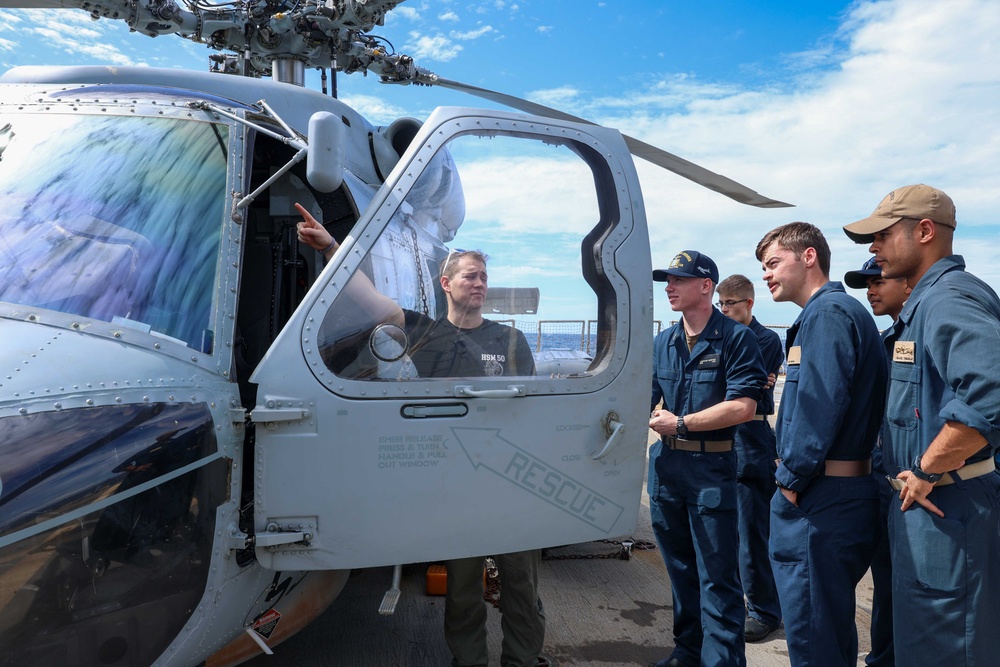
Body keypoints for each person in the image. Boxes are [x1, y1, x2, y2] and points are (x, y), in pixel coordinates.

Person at [295, 203, 549, 667]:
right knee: (464, 592)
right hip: (453, 488)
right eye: (470, 276)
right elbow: (369, 300)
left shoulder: (511, 341)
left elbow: (530, 411)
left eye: (483, 277)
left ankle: (523, 661)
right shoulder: (425, 334)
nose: (479, 283)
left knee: (521, 588)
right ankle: (468, 661)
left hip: (510, 483)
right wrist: (332, 247)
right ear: (446, 283)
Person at [843, 184, 1000, 666]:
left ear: (925, 232)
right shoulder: (926, 304)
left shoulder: (948, 299)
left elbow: (990, 390)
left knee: (948, 647)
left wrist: (927, 468)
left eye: (883, 236)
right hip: (935, 509)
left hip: (950, 509)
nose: (873, 248)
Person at [754, 223, 886, 667]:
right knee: (826, 632)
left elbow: (819, 405)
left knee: (814, 641)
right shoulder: (828, 314)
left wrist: (788, 483)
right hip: (831, 493)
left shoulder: (828, 315)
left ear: (808, 257)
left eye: (773, 263)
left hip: (821, 499)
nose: (767, 275)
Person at [648, 251, 766, 667]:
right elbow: (639, 400)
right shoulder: (663, 342)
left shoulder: (736, 338)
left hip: (711, 470)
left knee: (717, 578)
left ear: (705, 286)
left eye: (678, 280)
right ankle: (688, 653)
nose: (669, 287)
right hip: (665, 471)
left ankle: (721, 661)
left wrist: (681, 423)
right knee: (681, 572)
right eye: (667, 280)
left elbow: (744, 407)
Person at [843, 256, 910, 667]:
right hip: (887, 480)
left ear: (908, 282)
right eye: (865, 283)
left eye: (878, 280)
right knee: (885, 584)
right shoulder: (884, 342)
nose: (870, 290)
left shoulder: (934, 328)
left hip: (929, 483)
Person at [714, 275, 783, 643]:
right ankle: (745, 601)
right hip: (725, 436)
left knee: (753, 530)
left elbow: (741, 388)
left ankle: (764, 610)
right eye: (721, 304)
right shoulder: (722, 337)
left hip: (751, 438)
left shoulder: (766, 339)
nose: (725, 310)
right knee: (729, 529)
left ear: (750, 303)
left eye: (732, 304)